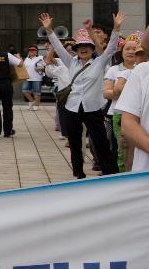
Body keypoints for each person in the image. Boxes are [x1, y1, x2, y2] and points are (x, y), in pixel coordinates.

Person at [42, 11, 124, 178]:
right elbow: (58, 47)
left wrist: (116, 28)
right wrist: (49, 30)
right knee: (74, 142)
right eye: (80, 47)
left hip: (93, 108)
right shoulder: (70, 62)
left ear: (92, 49)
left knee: (101, 142)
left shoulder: (100, 62)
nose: (83, 49)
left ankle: (110, 172)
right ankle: (78, 173)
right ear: (76, 49)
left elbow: (110, 49)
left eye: (87, 46)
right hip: (72, 107)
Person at [105, 34, 142, 171]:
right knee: (123, 150)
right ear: (122, 51)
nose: (131, 52)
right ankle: (123, 176)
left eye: (135, 49)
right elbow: (106, 93)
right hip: (119, 114)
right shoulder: (115, 70)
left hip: (141, 114)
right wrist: (117, 91)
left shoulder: (144, 69)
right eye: (128, 49)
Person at [21, 44, 43, 110]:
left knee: (37, 92)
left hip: (37, 78)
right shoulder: (26, 59)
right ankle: (32, 101)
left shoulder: (40, 57)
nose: (31, 51)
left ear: (36, 51)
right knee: (24, 90)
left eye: (33, 50)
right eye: (30, 50)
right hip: (27, 78)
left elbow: (44, 66)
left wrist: (40, 68)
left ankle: (36, 106)